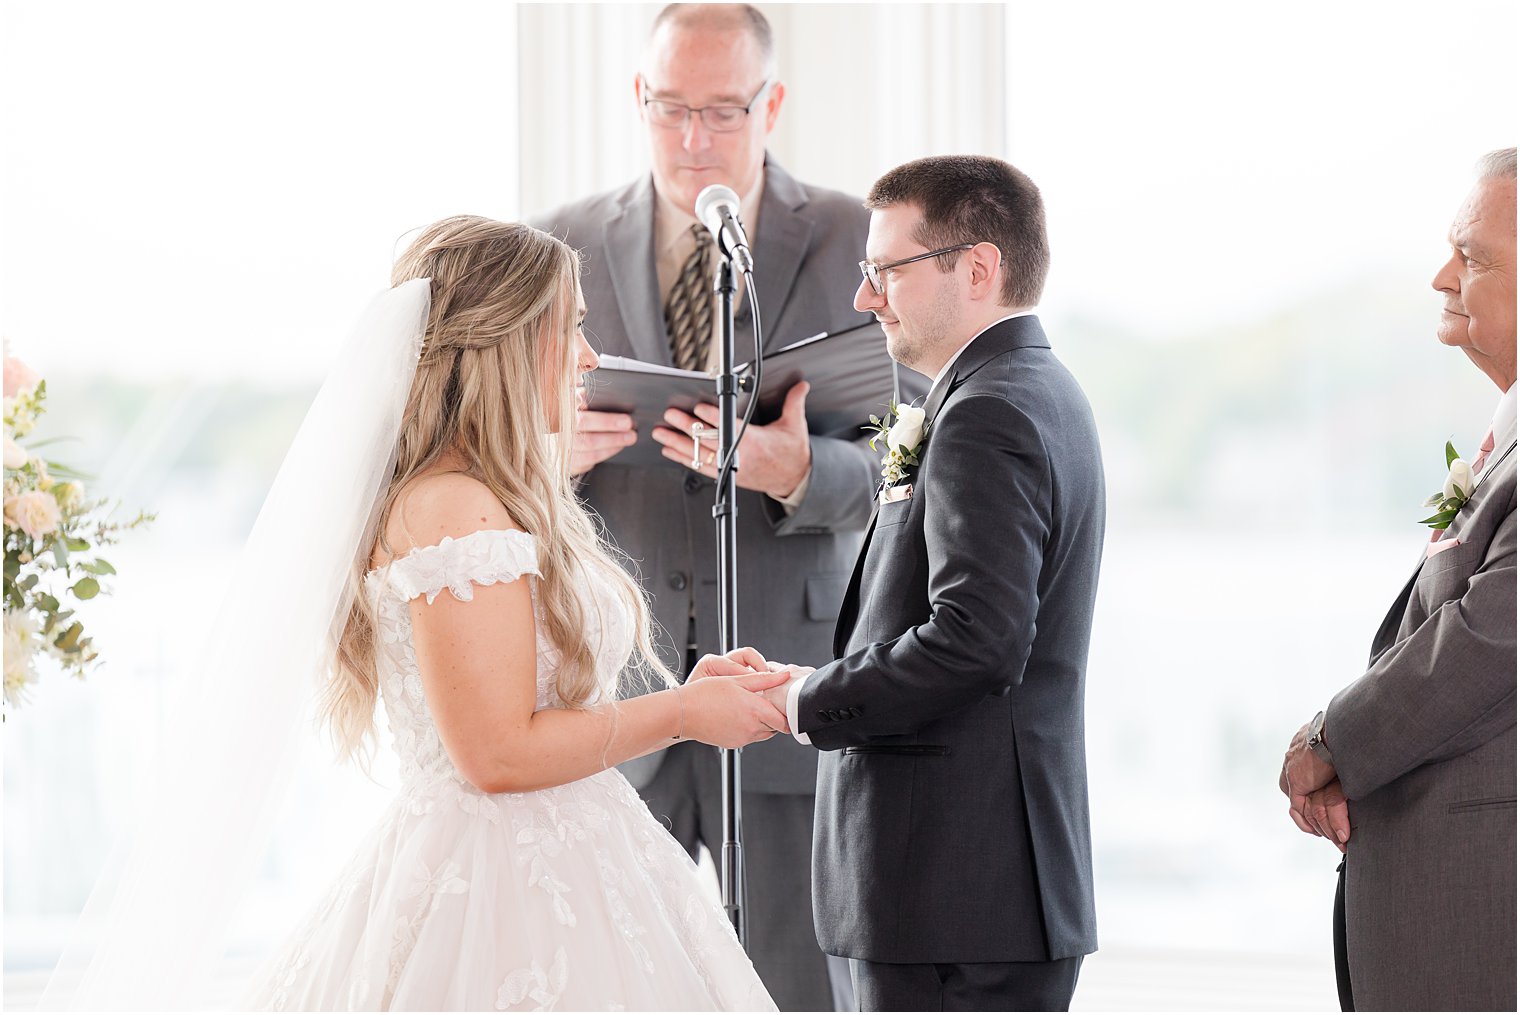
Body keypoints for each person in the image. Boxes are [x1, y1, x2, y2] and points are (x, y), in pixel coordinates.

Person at [531, 6, 920, 1009]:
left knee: (796, 988)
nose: (692, 138)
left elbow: (918, 445)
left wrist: (799, 472)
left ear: (770, 104)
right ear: (637, 99)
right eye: (669, 111)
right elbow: (491, 447)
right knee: (608, 982)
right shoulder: (557, 243)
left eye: (720, 111)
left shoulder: (852, 239)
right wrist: (545, 457)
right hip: (620, 684)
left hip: (784, 680)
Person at [746, 155, 1105, 1011]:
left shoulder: (987, 411)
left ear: (977, 268)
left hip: (953, 897)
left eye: (884, 271)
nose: (866, 297)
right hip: (980, 894)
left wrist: (803, 701)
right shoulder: (1038, 389)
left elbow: (976, 640)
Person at [1279, 148, 1517, 1012]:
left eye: (1475, 256)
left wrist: (1328, 741)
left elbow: (1486, 643)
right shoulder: (1505, 442)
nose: (1441, 276)